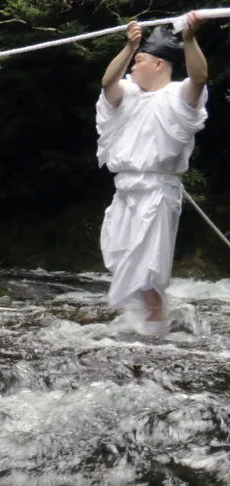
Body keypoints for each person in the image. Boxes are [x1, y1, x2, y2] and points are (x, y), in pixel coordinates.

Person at [97, 12, 208, 332]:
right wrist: (130, 48)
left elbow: (199, 78)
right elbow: (108, 82)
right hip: (126, 190)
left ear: (159, 63)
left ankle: (155, 328)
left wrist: (188, 39)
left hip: (157, 192)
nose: (133, 67)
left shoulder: (177, 96)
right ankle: (143, 318)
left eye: (139, 60)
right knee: (121, 258)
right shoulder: (128, 94)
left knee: (147, 267)